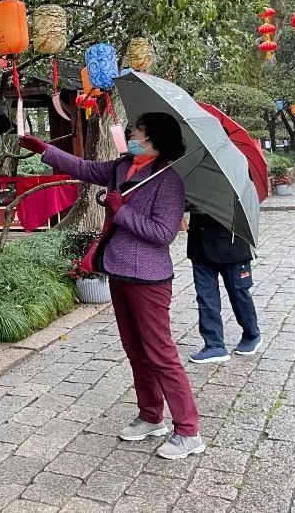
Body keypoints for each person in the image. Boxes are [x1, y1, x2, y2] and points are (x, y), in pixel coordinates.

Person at [21, 113, 204, 460]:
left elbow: (163, 234)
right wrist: (44, 150)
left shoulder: (168, 181)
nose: (132, 135)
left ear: (153, 140)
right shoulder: (122, 167)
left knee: (161, 354)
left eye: (138, 132)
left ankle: (188, 430)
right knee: (136, 351)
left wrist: (121, 211)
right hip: (118, 271)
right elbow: (85, 168)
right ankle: (151, 416)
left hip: (149, 279)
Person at [185, 209, 261, 363]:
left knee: (238, 294)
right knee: (206, 297)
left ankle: (252, 334)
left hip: (232, 245)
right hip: (199, 245)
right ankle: (214, 345)